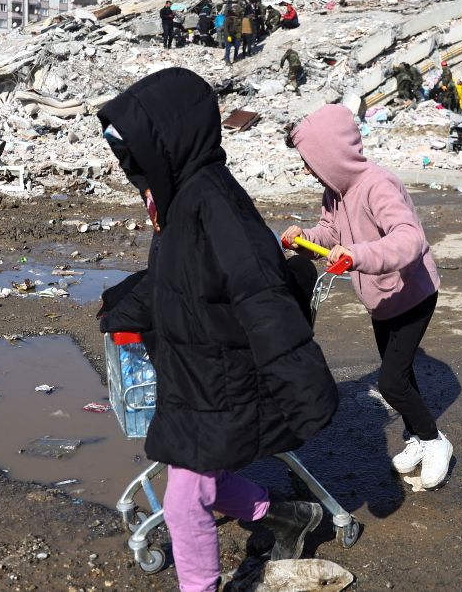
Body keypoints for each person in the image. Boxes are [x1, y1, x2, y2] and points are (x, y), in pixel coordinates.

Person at [98, 69, 337, 592]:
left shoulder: (215, 202)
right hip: (191, 372)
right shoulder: (178, 197)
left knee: (185, 499)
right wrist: (122, 309)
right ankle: (286, 515)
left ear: (170, 137)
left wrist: (303, 383)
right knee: (205, 477)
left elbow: (263, 295)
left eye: (138, 146)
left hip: (220, 377)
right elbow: (170, 281)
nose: (131, 161)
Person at [282, 104, 453, 490]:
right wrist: (303, 240)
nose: (308, 169)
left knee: (391, 383)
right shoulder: (334, 192)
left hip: (414, 293)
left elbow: (409, 238)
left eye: (311, 160)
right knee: (401, 373)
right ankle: (418, 436)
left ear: (332, 153)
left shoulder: (378, 185)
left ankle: (435, 442)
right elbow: (330, 235)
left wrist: (358, 255)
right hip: (380, 298)